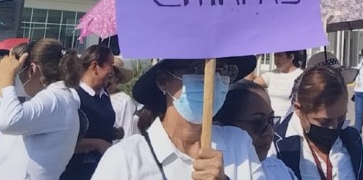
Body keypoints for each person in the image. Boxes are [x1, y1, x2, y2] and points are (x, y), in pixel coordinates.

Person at [91, 56, 260, 179]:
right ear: (163, 81)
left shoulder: (239, 145)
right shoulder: (126, 159)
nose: (213, 80)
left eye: (223, 70)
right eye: (199, 69)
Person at [260, 63, 363, 179]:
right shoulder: (275, 148)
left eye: (341, 118)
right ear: (298, 109)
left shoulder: (354, 141)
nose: (334, 127)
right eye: (324, 121)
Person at [0, 38, 81, 179]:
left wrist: (6, 77)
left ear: (32, 70)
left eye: (17, 73)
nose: (15, 79)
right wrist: (3, 81)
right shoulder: (53, 100)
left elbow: (8, 121)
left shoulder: (56, 100)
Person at [61, 45, 118, 180]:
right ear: (95, 67)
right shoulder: (74, 96)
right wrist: (98, 144)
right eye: (110, 65)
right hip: (75, 172)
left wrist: (112, 132)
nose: (112, 72)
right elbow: (63, 140)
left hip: (101, 170)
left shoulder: (104, 95)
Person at [214, 79, 275, 160]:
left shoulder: (278, 168)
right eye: (258, 122)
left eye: (271, 120)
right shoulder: (203, 170)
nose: (269, 132)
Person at [255, 51, 306, 118]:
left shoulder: (302, 75)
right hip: (271, 120)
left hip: (291, 120)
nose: (276, 59)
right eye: (275, 56)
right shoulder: (270, 75)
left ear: (291, 57)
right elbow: (250, 85)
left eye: (279, 56)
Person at [108, 56, 138, 142]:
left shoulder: (125, 100)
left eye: (110, 76)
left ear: (116, 77)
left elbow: (127, 131)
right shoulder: (98, 96)